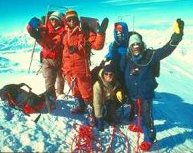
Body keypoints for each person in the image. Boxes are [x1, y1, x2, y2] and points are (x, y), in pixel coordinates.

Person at [121, 19, 184, 151]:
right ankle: (139, 126)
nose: (136, 46)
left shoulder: (150, 55)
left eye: (138, 44)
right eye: (133, 45)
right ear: (130, 47)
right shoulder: (127, 58)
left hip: (145, 94)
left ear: (142, 44)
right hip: (133, 94)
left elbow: (166, 50)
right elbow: (120, 70)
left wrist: (177, 37)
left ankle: (149, 138)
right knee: (138, 112)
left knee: (146, 116)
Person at [61, 9, 109, 114]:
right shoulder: (64, 33)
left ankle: (91, 112)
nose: (72, 21)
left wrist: (101, 33)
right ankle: (80, 106)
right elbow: (62, 52)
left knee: (86, 92)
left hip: (82, 69)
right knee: (75, 90)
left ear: (77, 19)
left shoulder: (85, 32)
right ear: (66, 21)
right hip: (69, 70)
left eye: (73, 18)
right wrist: (64, 69)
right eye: (69, 19)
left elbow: (97, 45)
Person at [27, 11, 65, 111]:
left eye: (56, 19)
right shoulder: (44, 30)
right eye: (52, 19)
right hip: (48, 60)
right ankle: (51, 99)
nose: (53, 21)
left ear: (60, 21)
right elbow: (31, 31)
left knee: (61, 78)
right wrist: (31, 24)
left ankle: (60, 93)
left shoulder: (64, 31)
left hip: (61, 60)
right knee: (49, 80)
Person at [93, 61, 125, 131]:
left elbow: (121, 88)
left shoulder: (116, 82)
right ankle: (98, 118)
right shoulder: (98, 85)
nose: (108, 76)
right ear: (103, 74)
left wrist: (120, 92)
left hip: (109, 101)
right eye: (106, 74)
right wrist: (99, 118)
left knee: (112, 104)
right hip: (98, 102)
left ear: (114, 74)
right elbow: (97, 103)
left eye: (111, 74)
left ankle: (110, 116)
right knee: (98, 112)